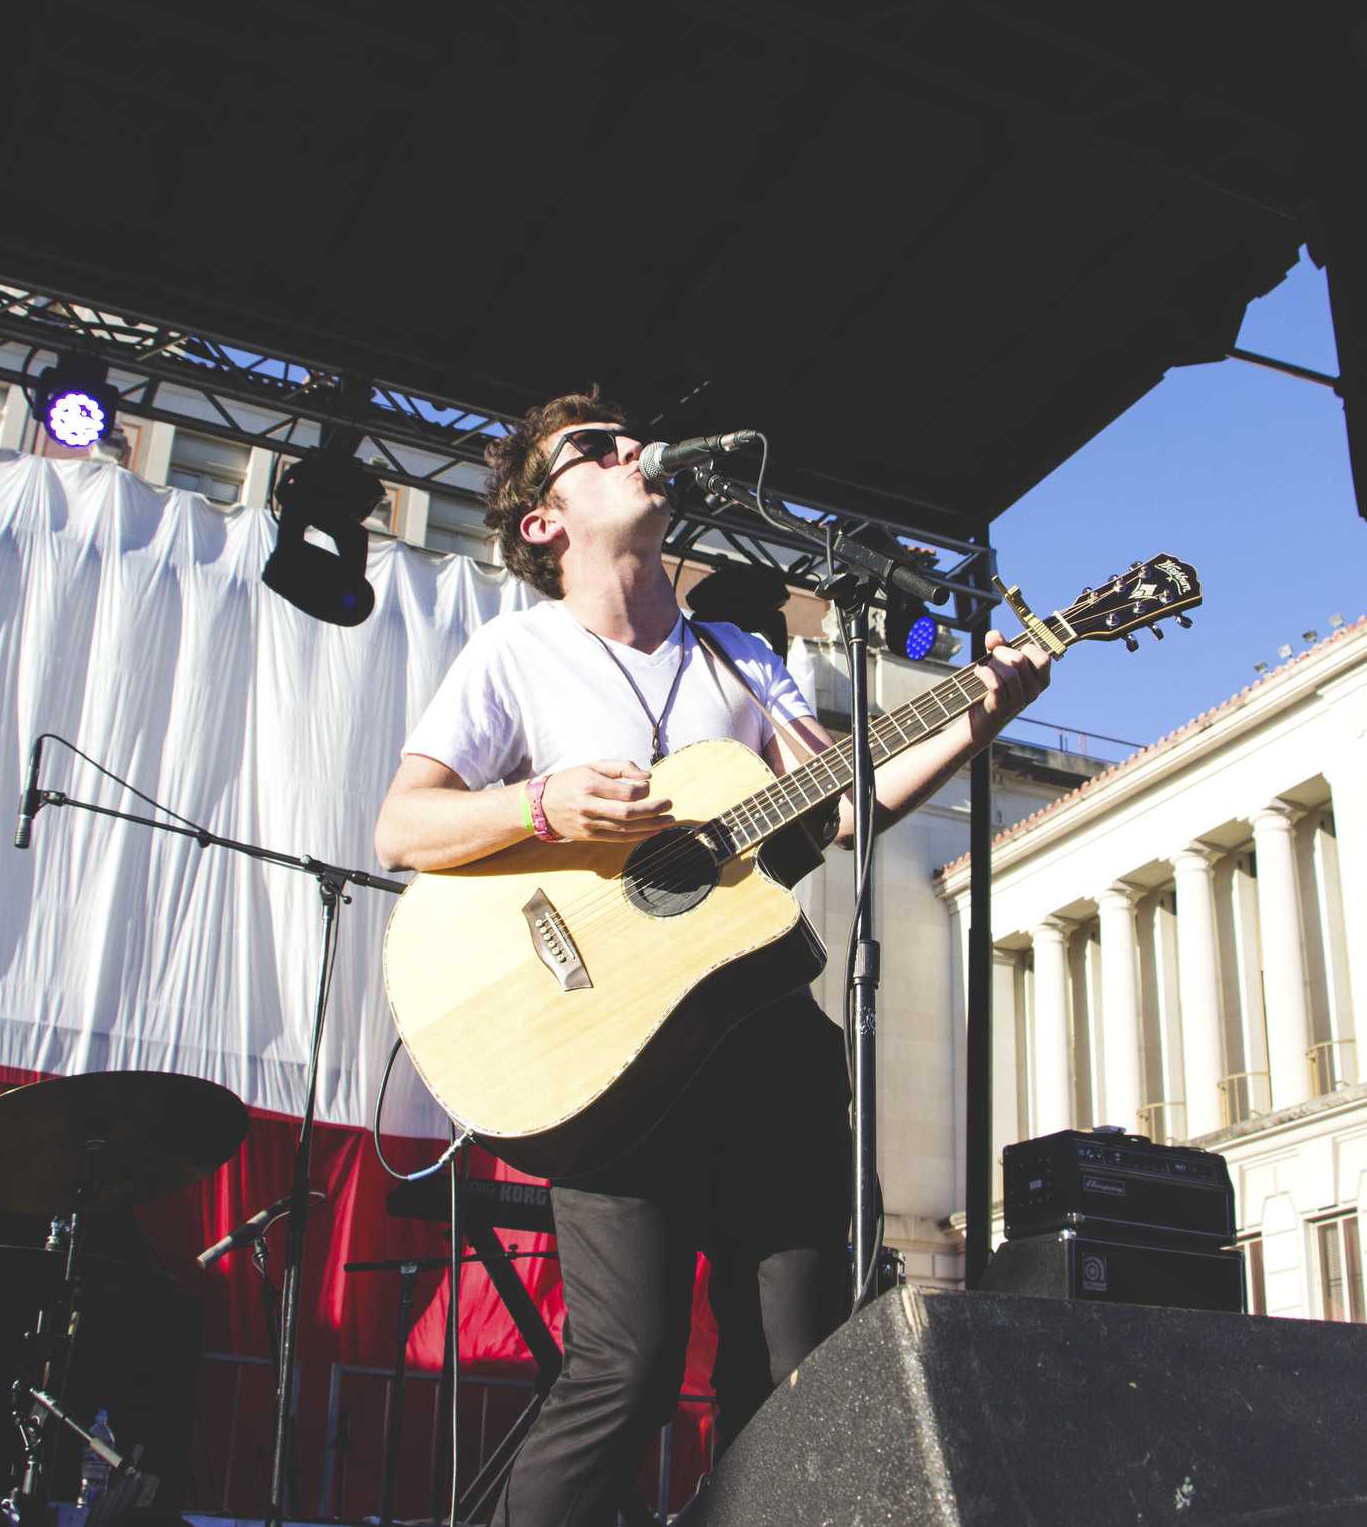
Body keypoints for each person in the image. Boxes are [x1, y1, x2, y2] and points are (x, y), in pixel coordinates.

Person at [375, 391, 1051, 1525]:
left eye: (630, 437)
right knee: (624, 1369)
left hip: (763, 1049)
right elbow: (403, 826)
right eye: (596, 449)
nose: (633, 450)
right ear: (543, 521)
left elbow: (849, 800)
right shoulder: (516, 652)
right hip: (608, 1061)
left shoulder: (737, 657)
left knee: (797, 1366)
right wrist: (540, 803)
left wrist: (978, 709)